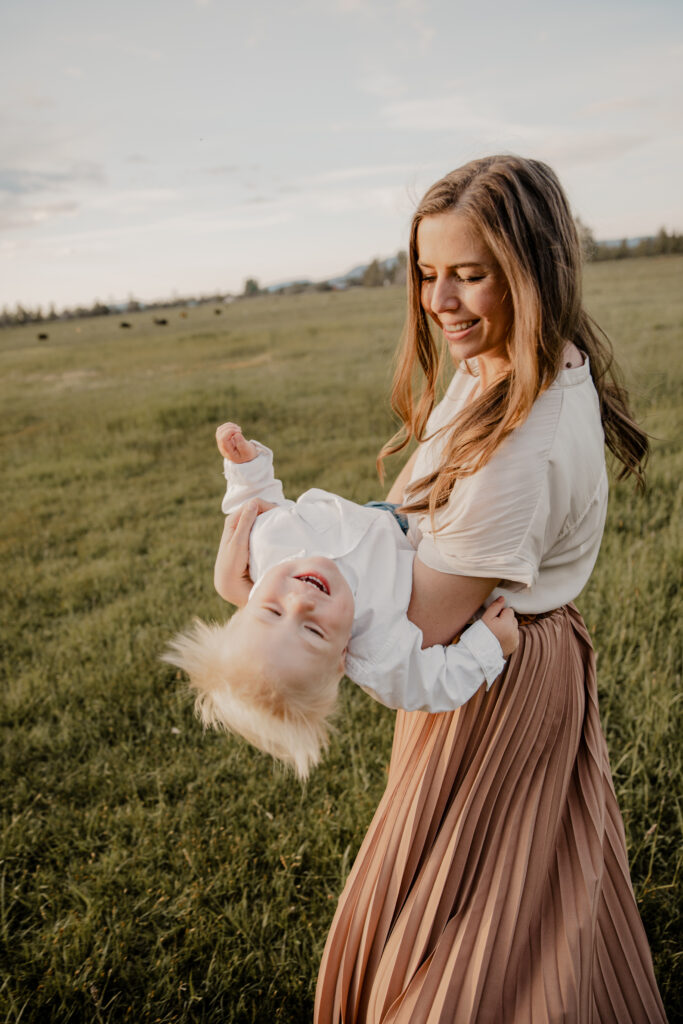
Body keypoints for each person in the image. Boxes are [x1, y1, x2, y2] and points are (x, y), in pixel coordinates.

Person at [312, 156, 668, 1022]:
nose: (439, 301)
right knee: (532, 906)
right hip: (501, 661)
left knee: (470, 935)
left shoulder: (522, 434)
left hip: (492, 679)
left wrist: (290, 594)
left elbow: (422, 622)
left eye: (469, 276)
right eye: (429, 274)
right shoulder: (499, 369)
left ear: (532, 271)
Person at [164, 423, 518, 780]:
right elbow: (435, 683)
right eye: (314, 631)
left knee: (452, 433)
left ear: (250, 598)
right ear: (341, 659)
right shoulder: (378, 656)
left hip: (381, 513)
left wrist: (245, 466)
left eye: (272, 611)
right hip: (421, 538)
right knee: (490, 466)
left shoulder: (266, 550)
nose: (300, 604)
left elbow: (254, 504)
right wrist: (487, 646)